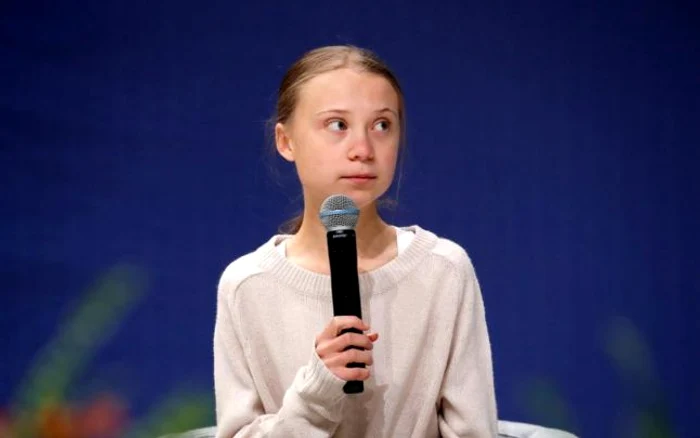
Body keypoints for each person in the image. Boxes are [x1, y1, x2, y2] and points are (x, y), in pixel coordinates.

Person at [213, 44, 498, 437]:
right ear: (286, 141)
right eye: (337, 125)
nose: (363, 151)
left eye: (382, 125)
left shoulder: (444, 270)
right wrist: (315, 392)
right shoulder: (247, 285)